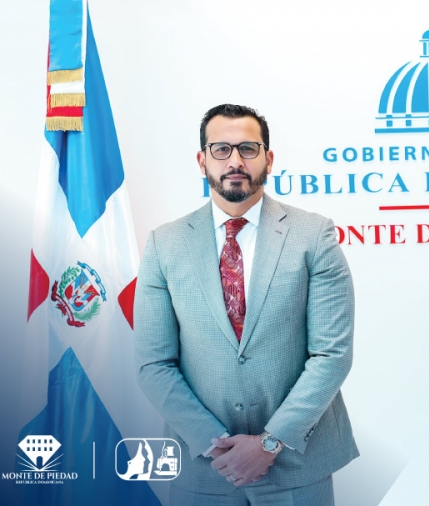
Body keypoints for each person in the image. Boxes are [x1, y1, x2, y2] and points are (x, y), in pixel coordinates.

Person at [134, 104, 358, 506]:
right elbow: (154, 364)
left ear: (268, 159)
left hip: (296, 466)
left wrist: (271, 442)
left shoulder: (314, 236)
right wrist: (214, 443)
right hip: (204, 469)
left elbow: (332, 355)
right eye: (221, 149)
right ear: (202, 161)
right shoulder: (163, 244)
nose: (235, 161)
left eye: (248, 149)